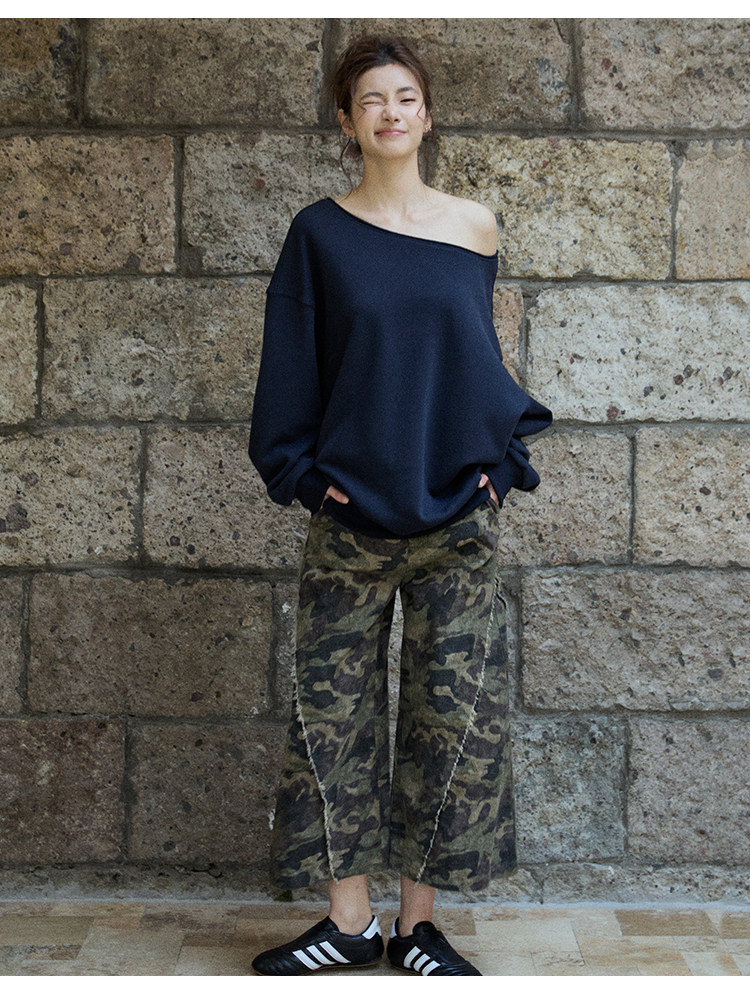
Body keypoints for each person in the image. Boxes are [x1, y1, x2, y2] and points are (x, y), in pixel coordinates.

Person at [248, 34, 552, 977]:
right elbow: (290, 369)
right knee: (330, 722)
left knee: (453, 724)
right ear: (347, 122)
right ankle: (349, 925)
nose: (390, 112)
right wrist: (305, 479)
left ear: (427, 113)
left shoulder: (475, 227)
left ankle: (418, 927)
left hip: (457, 522)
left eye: (405, 96)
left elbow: (473, 361)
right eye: (371, 99)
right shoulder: (318, 235)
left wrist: (499, 467)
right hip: (349, 523)